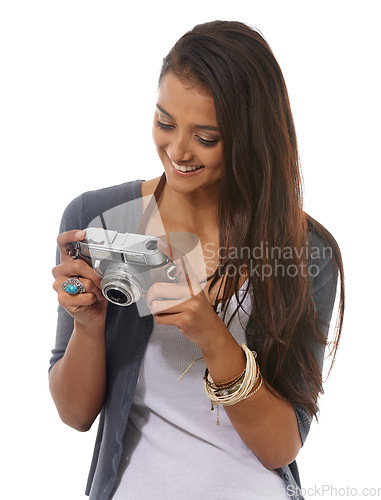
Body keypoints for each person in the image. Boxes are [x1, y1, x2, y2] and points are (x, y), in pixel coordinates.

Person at [49, 20, 345, 500]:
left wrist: (212, 335)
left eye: (206, 137)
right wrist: (87, 324)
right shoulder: (103, 218)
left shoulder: (304, 250)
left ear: (251, 137)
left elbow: (281, 447)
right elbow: (75, 415)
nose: (178, 150)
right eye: (165, 123)